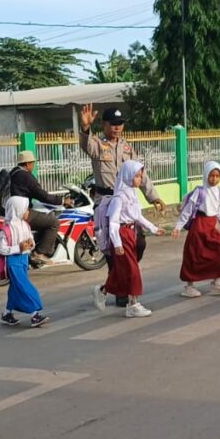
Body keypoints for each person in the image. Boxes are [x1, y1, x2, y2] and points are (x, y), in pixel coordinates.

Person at [80, 103, 165, 306]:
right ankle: (121, 290)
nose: (117, 127)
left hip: (127, 202)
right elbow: (86, 144)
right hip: (106, 202)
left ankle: (120, 278)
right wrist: (85, 128)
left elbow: (140, 174)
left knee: (139, 243)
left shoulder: (127, 147)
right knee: (113, 247)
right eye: (113, 124)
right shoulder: (98, 145)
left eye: (120, 124)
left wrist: (154, 197)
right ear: (104, 124)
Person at [92, 160, 165, 318]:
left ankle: (102, 290)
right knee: (132, 270)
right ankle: (133, 304)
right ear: (128, 176)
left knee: (122, 270)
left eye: (140, 176)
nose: (140, 179)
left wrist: (153, 228)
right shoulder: (119, 198)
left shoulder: (132, 194)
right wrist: (117, 243)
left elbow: (138, 217)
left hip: (131, 233)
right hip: (122, 235)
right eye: (137, 176)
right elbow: (113, 222)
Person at [172, 160, 220, 297]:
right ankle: (189, 286)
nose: (214, 179)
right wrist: (178, 227)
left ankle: (217, 282)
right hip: (198, 228)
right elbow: (187, 211)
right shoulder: (200, 192)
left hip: (211, 228)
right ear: (206, 175)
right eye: (212, 175)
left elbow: (218, 210)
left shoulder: (218, 191)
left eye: (217, 176)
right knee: (194, 256)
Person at [8, 150, 73, 265]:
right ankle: (40, 253)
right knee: (53, 222)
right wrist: (62, 201)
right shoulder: (26, 176)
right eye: (33, 163)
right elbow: (41, 195)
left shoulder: (14, 173)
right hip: (23, 213)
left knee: (42, 216)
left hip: (12, 210)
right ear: (28, 164)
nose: (33, 165)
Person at [0, 196, 48, 328]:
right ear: (18, 210)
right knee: (25, 287)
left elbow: (30, 240)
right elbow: (2, 249)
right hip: (13, 262)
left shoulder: (25, 225)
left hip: (23, 260)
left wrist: (30, 244)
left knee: (16, 288)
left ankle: (7, 313)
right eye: (25, 209)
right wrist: (17, 248)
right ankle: (34, 314)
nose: (28, 212)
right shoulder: (7, 229)